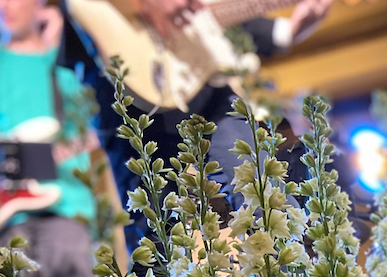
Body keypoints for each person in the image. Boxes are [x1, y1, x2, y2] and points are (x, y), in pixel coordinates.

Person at [60, 0, 334, 247]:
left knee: (267, 202)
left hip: (206, 81)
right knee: (157, 243)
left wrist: (287, 30)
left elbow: (208, 11)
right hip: (126, 78)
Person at [0, 0, 98, 277]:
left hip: (65, 213)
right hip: (9, 224)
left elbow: (91, 137)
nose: (6, 6)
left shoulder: (63, 73)